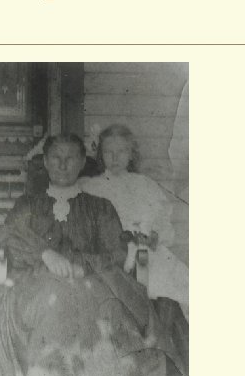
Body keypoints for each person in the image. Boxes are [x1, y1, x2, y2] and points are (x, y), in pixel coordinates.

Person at [0, 134, 188, 376]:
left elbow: (117, 253)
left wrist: (80, 265)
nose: (63, 165)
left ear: (81, 163)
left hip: (92, 280)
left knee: (97, 301)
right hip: (36, 284)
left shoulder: (100, 207)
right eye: (56, 158)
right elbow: (8, 237)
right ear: (45, 162)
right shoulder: (28, 205)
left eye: (71, 158)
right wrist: (46, 255)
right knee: (54, 297)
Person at [81, 124, 189, 320]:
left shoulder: (145, 184)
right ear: (101, 154)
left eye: (121, 151)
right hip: (111, 253)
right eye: (108, 152)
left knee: (177, 281)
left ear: (131, 154)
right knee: (136, 278)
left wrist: (154, 236)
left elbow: (162, 225)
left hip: (145, 251)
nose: (115, 157)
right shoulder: (92, 186)